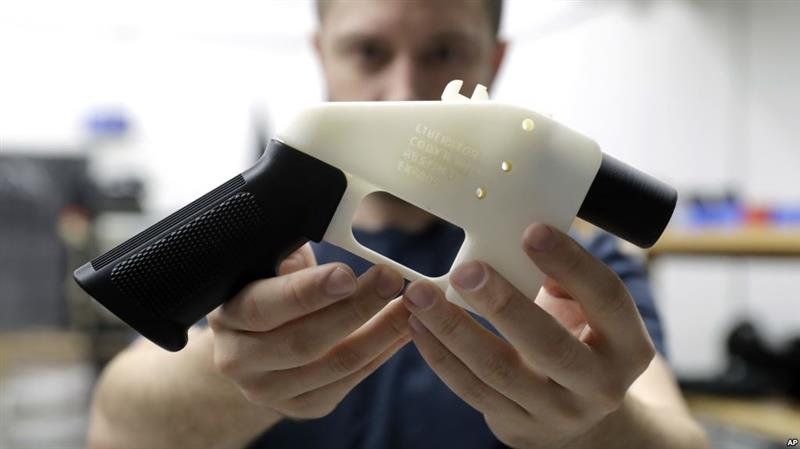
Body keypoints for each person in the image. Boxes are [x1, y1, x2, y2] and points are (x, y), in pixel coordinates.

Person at [88, 1, 710, 448]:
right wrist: (232, 373)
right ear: (321, 53)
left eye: (444, 52)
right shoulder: (271, 233)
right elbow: (115, 427)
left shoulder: (571, 263)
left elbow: (680, 438)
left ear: (494, 61)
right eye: (369, 51)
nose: (403, 88)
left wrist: (594, 423)